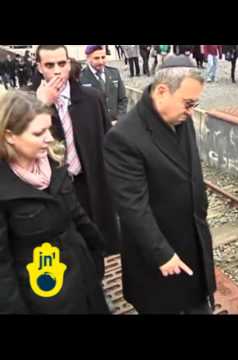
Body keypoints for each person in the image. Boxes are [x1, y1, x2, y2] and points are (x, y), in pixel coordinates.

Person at [103, 56, 216, 314]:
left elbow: (192, 171)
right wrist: (162, 254)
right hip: (157, 256)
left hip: (193, 244)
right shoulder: (123, 138)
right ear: (163, 91)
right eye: (188, 104)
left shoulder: (180, 118)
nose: (191, 111)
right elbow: (132, 206)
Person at [0, 90, 110, 314]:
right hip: (44, 295)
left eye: (49, 128)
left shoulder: (53, 163)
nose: (49, 138)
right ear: (10, 135)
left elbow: (77, 215)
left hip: (84, 278)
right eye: (39, 133)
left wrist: (96, 251)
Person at [33, 45, 120, 262]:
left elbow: (108, 142)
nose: (56, 71)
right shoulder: (27, 102)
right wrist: (41, 104)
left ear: (69, 64)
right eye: (49, 65)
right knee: (65, 249)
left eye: (62, 64)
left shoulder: (92, 98)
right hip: (52, 190)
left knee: (95, 243)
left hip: (89, 184)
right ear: (39, 68)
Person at [80, 45, 128, 125]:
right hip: (95, 126)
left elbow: (122, 99)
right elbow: (81, 107)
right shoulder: (81, 77)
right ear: (88, 58)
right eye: (96, 58)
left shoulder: (114, 73)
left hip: (115, 124)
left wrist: (119, 119)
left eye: (103, 57)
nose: (101, 61)